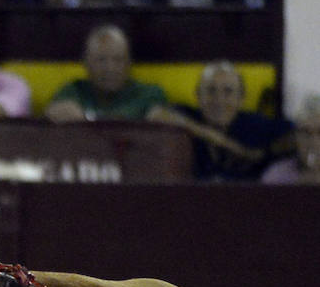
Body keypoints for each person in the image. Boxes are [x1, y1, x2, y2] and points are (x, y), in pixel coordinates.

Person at [149, 60, 294, 181]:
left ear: (241, 99)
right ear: (198, 96)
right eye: (211, 91)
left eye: (228, 92)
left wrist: (263, 152)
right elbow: (156, 114)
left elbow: (296, 133)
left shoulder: (256, 125)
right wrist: (224, 142)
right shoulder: (189, 115)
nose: (219, 100)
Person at [44, 24, 167, 122]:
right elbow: (52, 114)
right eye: (101, 60)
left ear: (129, 63)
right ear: (86, 63)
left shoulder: (149, 94)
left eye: (118, 59)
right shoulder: (73, 91)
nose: (110, 68)